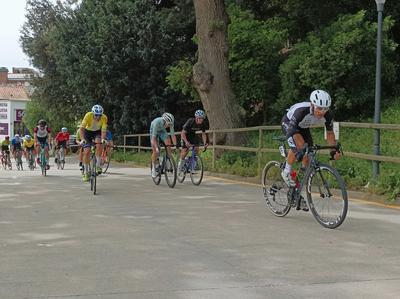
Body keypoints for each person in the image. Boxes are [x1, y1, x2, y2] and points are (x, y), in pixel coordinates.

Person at [281, 90, 340, 209]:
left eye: (325, 109)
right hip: (289, 124)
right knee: (301, 146)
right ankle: (286, 171)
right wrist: (297, 150)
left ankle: (296, 186)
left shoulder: (327, 115)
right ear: (312, 105)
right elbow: (291, 133)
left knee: (307, 158)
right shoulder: (301, 111)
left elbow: (330, 133)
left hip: (304, 127)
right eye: (319, 108)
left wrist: (333, 150)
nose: (322, 112)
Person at [80, 104, 108, 182]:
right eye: (96, 115)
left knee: (99, 143)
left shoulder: (104, 118)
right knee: (87, 152)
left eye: (99, 115)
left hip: (97, 132)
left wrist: (103, 139)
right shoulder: (88, 116)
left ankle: (98, 165)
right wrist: (82, 139)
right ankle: (86, 173)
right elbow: (82, 129)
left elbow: (103, 130)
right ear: (93, 113)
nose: (98, 117)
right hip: (87, 132)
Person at [150, 112, 178, 178]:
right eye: (168, 124)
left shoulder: (170, 123)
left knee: (168, 142)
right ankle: (153, 168)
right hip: (154, 131)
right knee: (156, 150)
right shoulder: (157, 122)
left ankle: (169, 159)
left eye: (170, 124)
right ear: (164, 121)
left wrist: (175, 145)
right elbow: (153, 139)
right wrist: (156, 148)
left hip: (162, 130)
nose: (169, 126)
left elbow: (172, 135)